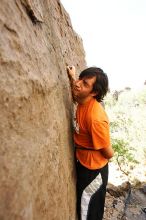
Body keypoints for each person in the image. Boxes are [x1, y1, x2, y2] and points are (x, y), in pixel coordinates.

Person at [67, 66, 114, 220]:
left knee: (88, 213)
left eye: (85, 83)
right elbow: (77, 94)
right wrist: (73, 77)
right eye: (80, 79)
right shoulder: (83, 98)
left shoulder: (96, 119)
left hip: (93, 172)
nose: (78, 83)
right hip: (84, 163)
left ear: (94, 93)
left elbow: (109, 154)